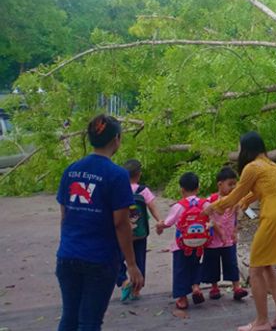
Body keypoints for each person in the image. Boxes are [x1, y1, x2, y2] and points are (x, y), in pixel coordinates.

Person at [55, 114, 144, 331]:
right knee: (90, 322)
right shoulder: (117, 175)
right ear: (117, 139)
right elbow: (121, 224)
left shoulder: (71, 170)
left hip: (68, 256)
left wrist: (70, 245)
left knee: (69, 318)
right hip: (99, 259)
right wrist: (132, 265)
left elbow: (64, 216)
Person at [204, 132, 276, 331]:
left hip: (272, 218)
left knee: (255, 269)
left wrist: (213, 207)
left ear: (246, 148)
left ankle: (261, 322)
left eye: (239, 148)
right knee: (267, 265)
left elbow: (236, 193)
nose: (238, 152)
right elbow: (261, 190)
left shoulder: (252, 167)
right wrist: (245, 202)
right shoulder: (272, 165)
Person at [156, 172, 206, 310]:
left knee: (181, 270)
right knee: (195, 265)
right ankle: (196, 286)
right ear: (198, 188)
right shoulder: (204, 204)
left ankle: (182, 298)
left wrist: (160, 226)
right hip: (199, 244)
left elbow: (168, 223)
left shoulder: (178, 206)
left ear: (182, 189)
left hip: (181, 245)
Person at [200, 167, 249, 301]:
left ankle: (237, 287)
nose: (233, 187)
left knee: (231, 263)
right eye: (230, 184)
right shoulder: (211, 200)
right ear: (220, 184)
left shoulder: (235, 201)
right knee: (212, 263)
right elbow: (207, 217)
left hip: (228, 239)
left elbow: (235, 218)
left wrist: (235, 231)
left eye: (235, 184)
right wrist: (218, 231)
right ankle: (214, 287)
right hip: (213, 240)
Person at [117, 159, 161, 302]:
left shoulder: (119, 189)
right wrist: (159, 221)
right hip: (140, 234)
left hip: (122, 235)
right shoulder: (143, 191)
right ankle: (136, 290)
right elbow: (152, 206)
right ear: (139, 175)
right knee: (139, 260)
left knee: (117, 259)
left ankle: (123, 281)